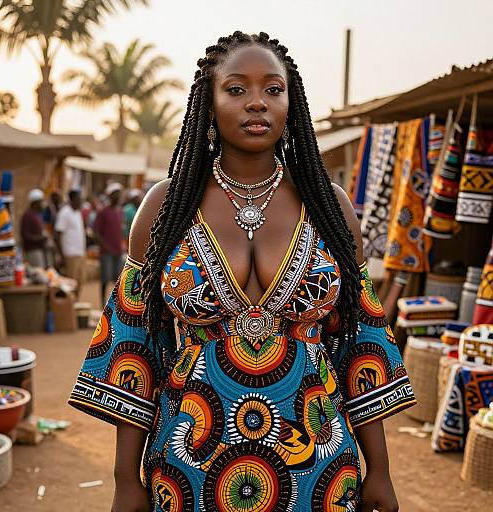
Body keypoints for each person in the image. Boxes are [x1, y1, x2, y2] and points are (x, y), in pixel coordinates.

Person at [69, 32, 416, 512]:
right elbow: (134, 349)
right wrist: (125, 480)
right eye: (237, 90)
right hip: (191, 461)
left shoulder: (329, 206)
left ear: (291, 105)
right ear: (208, 104)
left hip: (318, 462)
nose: (258, 103)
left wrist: (381, 470)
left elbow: (362, 343)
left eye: (273, 90)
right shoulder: (165, 206)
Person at [94, 182, 124, 306]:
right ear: (110, 196)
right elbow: (96, 232)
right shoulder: (103, 212)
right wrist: (105, 246)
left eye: (119, 195)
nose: (118, 197)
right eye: (115, 195)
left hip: (117, 250)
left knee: (117, 279)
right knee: (105, 278)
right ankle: (102, 303)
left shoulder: (119, 211)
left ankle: (115, 303)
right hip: (106, 251)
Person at [55, 189, 86, 298]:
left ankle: (75, 303)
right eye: (78, 200)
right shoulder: (65, 213)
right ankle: (70, 305)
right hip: (70, 253)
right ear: (72, 200)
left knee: (80, 280)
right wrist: (61, 254)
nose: (80, 202)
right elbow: (58, 234)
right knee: (71, 282)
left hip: (80, 252)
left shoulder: (77, 212)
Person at [20, 189, 49, 268]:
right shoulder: (28, 216)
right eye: (41, 201)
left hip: (39, 249)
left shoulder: (37, 215)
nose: (42, 204)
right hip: (32, 251)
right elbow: (25, 235)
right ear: (35, 202)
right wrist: (41, 238)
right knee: (38, 274)